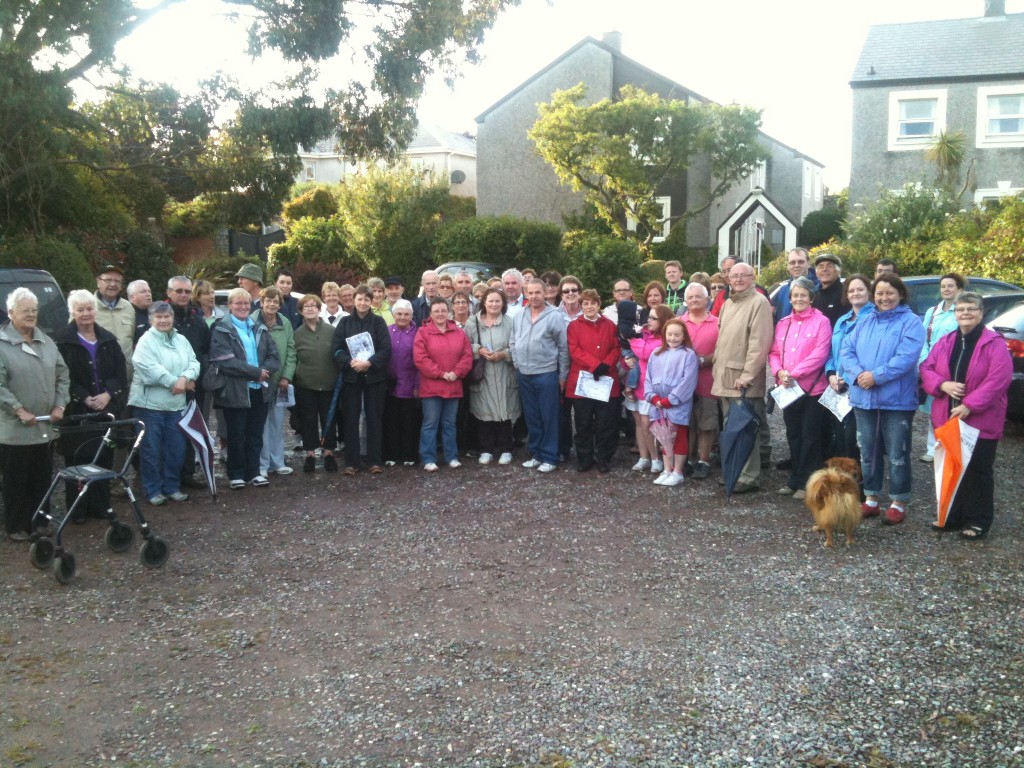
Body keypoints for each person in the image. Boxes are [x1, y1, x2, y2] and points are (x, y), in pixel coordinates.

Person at [920, 292, 1013, 539]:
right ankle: (952, 516)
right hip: (948, 417)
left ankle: (978, 520)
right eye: (961, 309)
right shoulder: (946, 341)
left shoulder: (994, 344)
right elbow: (926, 368)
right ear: (955, 313)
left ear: (981, 313)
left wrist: (970, 405)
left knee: (977, 472)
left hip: (979, 420)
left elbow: (999, 379)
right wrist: (942, 385)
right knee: (950, 468)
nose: (966, 313)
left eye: (971, 309)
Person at [839, 274, 925, 524]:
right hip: (864, 397)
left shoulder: (911, 322)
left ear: (900, 294)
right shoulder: (865, 320)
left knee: (898, 453)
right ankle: (872, 499)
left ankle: (898, 501)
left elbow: (906, 357)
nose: (884, 298)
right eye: (879, 293)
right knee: (868, 452)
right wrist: (858, 376)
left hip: (896, 400)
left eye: (889, 293)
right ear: (873, 295)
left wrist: (876, 376)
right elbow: (847, 350)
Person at [0, 288, 69, 540]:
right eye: (25, 310)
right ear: (11, 313)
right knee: (16, 480)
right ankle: (17, 526)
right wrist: (17, 409)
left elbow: (63, 376)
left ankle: (40, 522)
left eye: (34, 310)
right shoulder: (2, 344)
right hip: (14, 430)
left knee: (42, 478)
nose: (31, 315)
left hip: (44, 427)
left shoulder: (46, 342)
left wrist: (60, 405)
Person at [54, 290, 128, 521]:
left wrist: (107, 394)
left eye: (89, 309)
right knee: (77, 460)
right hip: (77, 411)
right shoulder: (63, 341)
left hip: (105, 410)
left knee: (103, 458)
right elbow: (61, 376)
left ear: (95, 311)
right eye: (80, 309)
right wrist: (84, 397)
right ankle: (77, 510)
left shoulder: (108, 339)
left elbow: (120, 372)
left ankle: (100, 506)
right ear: (72, 312)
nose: (85, 314)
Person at [711, 262, 774, 494]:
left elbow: (760, 343)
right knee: (731, 428)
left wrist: (748, 376)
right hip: (725, 376)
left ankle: (748, 476)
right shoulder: (728, 303)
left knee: (746, 428)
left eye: (743, 276)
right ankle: (735, 470)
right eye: (733, 275)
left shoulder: (759, 303)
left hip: (742, 380)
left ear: (752, 277)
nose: (737, 279)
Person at [130, 300, 201, 505]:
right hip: (149, 406)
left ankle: (172, 487)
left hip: (176, 405)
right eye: (158, 317)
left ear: (172, 318)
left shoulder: (181, 340)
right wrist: (176, 383)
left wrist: (184, 379)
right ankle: (153, 490)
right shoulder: (145, 341)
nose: (163, 320)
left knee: (176, 449)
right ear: (151, 319)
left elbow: (194, 363)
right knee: (151, 450)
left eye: (167, 316)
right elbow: (150, 370)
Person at [210, 288, 281, 490]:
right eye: (238, 303)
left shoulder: (259, 328)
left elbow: (274, 356)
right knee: (236, 434)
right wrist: (254, 372)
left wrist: (263, 372)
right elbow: (225, 362)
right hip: (235, 391)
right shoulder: (221, 329)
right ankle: (236, 474)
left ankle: (254, 472)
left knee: (255, 433)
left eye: (246, 304)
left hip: (259, 389)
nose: (242, 307)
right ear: (230, 306)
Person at [768, 277, 833, 499]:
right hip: (788, 389)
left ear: (811, 298)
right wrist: (779, 372)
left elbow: (820, 354)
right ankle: (794, 479)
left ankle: (809, 482)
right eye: (795, 295)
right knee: (793, 435)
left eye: (803, 295)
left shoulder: (821, 322)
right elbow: (775, 352)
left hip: (812, 389)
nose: (799, 299)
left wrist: (794, 373)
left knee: (810, 436)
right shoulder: (783, 322)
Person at [509, 278, 569, 473]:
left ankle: (550, 457)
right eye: (530, 293)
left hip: (546, 373)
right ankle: (536, 454)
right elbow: (512, 341)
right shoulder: (519, 315)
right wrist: (518, 364)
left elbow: (563, 348)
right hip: (524, 373)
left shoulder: (555, 316)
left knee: (549, 416)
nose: (534, 296)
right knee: (532, 417)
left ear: (545, 293)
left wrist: (562, 377)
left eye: (537, 293)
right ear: (526, 294)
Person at [332, 284, 391, 474]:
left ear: (371, 301)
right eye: (359, 299)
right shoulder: (345, 323)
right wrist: (350, 362)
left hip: (374, 377)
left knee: (374, 418)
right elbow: (336, 349)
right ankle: (352, 462)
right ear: (354, 300)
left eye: (366, 299)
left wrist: (369, 363)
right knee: (350, 419)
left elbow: (386, 349)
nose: (363, 303)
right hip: (351, 377)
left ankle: (374, 461)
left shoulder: (379, 323)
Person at [413, 296, 473, 471]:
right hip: (431, 386)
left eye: (443, 310)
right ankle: (428, 457)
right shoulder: (423, 333)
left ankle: (451, 456)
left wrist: (456, 372)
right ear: (430, 313)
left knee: (449, 423)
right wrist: (441, 373)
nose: (440, 314)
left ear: (449, 312)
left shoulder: (459, 332)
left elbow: (467, 356)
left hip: (453, 385)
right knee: (430, 423)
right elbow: (420, 359)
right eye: (436, 311)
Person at [565, 289, 621, 473]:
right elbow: (574, 350)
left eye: (593, 303)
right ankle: (585, 457)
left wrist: (605, 365)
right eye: (586, 304)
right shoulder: (574, 326)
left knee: (605, 423)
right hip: (584, 380)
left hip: (606, 378)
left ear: (599, 304)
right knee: (583, 422)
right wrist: (595, 365)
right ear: (581, 306)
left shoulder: (610, 325)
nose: (589, 307)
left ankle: (603, 457)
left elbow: (616, 348)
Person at [465, 288, 519, 466]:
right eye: (491, 301)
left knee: (504, 411)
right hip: (483, 374)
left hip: (504, 372)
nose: (494, 304)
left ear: (503, 303)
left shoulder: (510, 323)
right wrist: (478, 350)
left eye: (498, 301)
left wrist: (504, 354)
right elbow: (465, 345)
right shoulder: (472, 322)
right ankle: (486, 449)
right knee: (484, 411)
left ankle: (505, 448)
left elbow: (518, 346)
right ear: (484, 303)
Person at [824, 274, 875, 461]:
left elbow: (872, 355)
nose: (856, 293)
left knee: (855, 440)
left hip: (860, 387)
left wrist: (851, 376)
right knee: (840, 438)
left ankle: (861, 485)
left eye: (860, 289)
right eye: (851, 290)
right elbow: (831, 352)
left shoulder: (875, 318)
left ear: (869, 292)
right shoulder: (842, 320)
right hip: (838, 389)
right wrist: (830, 374)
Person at [167, 276, 211, 490]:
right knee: (169, 432)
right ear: (169, 293)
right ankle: (169, 476)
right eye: (178, 291)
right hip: (168, 387)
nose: (183, 295)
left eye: (186, 291)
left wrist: (194, 378)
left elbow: (204, 352)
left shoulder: (198, 320)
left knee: (190, 430)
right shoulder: (164, 319)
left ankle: (187, 473)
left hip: (195, 386)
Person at [643, 318, 698, 486]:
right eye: (669, 334)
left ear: (683, 336)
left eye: (676, 335)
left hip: (676, 405)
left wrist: (671, 400)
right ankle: (667, 469)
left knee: (678, 436)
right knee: (663, 437)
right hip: (658, 405)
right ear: (664, 335)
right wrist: (652, 397)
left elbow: (687, 382)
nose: (672, 338)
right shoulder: (656, 353)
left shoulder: (688, 355)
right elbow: (648, 378)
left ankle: (678, 471)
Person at [918, 273, 965, 463]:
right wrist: (924, 362)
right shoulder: (932, 312)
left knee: (952, 408)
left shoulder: (961, 311)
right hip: (932, 367)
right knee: (933, 409)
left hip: (952, 367)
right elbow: (922, 338)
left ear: (959, 289)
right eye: (943, 286)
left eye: (951, 286)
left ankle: (951, 446)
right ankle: (933, 447)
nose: (946, 289)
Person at [292, 294, 340, 473]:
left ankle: (329, 453)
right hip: (305, 385)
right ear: (301, 311)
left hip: (329, 384)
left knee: (329, 419)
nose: (310, 308)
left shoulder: (331, 331)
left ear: (320, 309)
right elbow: (293, 358)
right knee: (308, 420)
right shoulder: (297, 334)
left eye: (313, 305)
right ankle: (310, 454)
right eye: (306, 306)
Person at [254, 286, 297, 479]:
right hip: (258, 380)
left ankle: (277, 462)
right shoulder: (252, 320)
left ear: (280, 305)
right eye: (268, 300)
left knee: (277, 423)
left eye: (275, 301)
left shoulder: (285, 322)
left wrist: (286, 376)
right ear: (261, 302)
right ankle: (262, 465)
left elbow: (291, 350)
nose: (272, 304)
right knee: (260, 424)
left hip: (280, 380)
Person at [628, 304, 674, 476]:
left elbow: (646, 353)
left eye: (654, 318)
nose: (649, 321)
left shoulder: (663, 339)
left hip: (652, 389)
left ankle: (656, 459)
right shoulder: (645, 335)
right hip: (639, 385)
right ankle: (644, 457)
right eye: (649, 317)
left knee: (649, 425)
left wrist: (632, 339)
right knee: (639, 423)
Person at [680, 283, 719, 480]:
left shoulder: (718, 323)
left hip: (707, 381)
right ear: (685, 301)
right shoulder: (678, 322)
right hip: (683, 384)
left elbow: (722, 350)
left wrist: (704, 360)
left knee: (706, 423)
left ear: (707, 299)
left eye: (698, 297)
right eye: (691, 297)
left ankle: (703, 460)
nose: (694, 300)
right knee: (686, 423)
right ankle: (686, 459)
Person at [383, 299, 421, 466]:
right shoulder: (386, 331)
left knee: (409, 422)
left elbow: (420, 362)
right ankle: (391, 455)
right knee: (391, 421)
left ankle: (409, 455)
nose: (402, 317)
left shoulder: (418, 333)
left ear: (411, 315)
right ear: (393, 315)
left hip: (410, 384)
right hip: (390, 385)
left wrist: (417, 385)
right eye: (399, 314)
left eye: (406, 314)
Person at [93, 264, 135, 374]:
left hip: (126, 373)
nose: (113, 284)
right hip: (98, 373)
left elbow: (133, 337)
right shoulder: (87, 307)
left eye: (117, 281)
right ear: (98, 282)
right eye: (108, 280)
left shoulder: (128, 307)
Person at [771, 247, 817, 323]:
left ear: (808, 263)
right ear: (788, 265)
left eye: (800, 262)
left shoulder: (818, 288)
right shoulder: (783, 290)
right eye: (792, 262)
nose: (796, 265)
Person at [811, 253, 845, 327]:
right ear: (816, 273)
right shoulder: (812, 294)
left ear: (838, 271)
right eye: (821, 266)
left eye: (829, 266)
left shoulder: (845, 294)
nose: (825, 269)